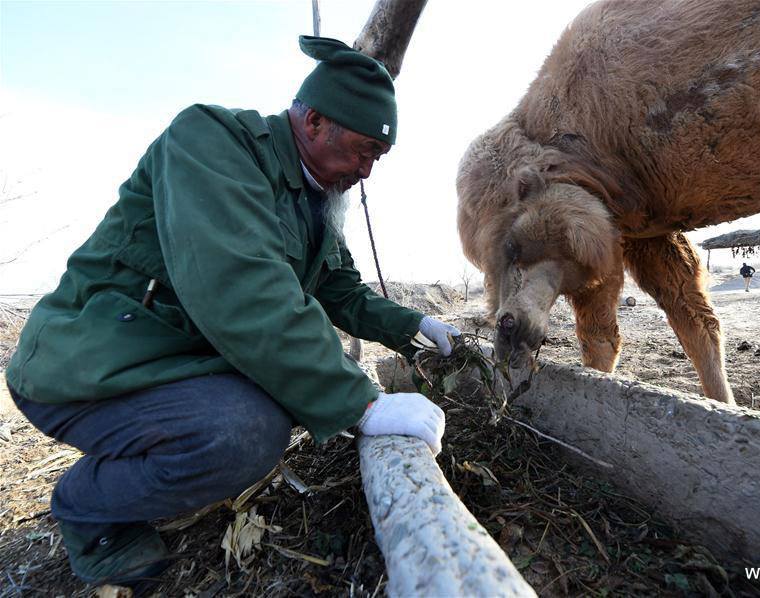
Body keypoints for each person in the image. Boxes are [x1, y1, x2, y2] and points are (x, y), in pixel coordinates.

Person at [4, 36, 460, 589]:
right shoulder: (210, 143)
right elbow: (242, 287)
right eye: (362, 151)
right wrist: (360, 405)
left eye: (376, 158)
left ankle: (146, 473)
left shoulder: (314, 198)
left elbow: (341, 290)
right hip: (90, 365)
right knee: (244, 432)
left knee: (273, 403)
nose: (366, 172)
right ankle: (85, 508)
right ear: (314, 122)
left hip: (171, 366)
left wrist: (414, 327)